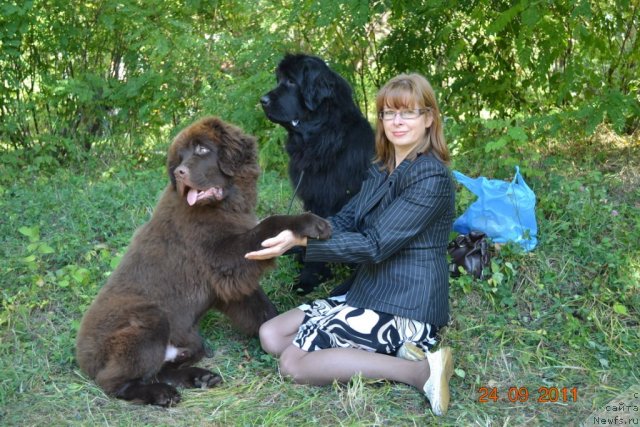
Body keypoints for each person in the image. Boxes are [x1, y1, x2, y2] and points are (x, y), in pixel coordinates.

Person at [245, 73, 456, 416]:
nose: (396, 122)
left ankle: (421, 371)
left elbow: (374, 245)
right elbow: (344, 220)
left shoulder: (430, 177)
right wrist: (291, 231)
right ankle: (392, 351)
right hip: (368, 290)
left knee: (293, 364)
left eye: (408, 113)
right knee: (270, 335)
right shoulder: (382, 168)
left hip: (405, 304)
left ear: (429, 118)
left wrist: (302, 245)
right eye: (388, 113)